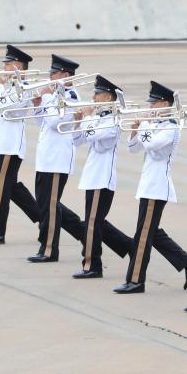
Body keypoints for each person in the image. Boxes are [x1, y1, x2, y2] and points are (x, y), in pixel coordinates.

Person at [114, 81, 187, 294]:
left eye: (155, 104)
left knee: (143, 234)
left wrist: (143, 125)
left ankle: (136, 280)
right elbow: (134, 149)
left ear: (165, 104)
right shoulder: (156, 124)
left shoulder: (170, 127)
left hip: (157, 186)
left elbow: (151, 145)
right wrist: (135, 130)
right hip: (148, 185)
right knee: (152, 232)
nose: (151, 107)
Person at [0, 45, 41, 244]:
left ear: (18, 66)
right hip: (2, 144)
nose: (4, 68)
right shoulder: (7, 87)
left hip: (11, 146)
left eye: (8, 64)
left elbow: (12, 110)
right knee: (11, 188)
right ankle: (44, 217)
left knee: (1, 189)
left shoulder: (26, 87)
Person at [27, 55, 84, 263]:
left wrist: (46, 97)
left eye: (54, 73)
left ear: (65, 75)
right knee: (46, 205)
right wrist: (37, 104)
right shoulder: (54, 95)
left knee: (50, 207)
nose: (50, 77)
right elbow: (40, 122)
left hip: (58, 160)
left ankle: (49, 249)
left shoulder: (71, 96)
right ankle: (86, 234)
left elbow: (54, 122)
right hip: (46, 158)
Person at [68, 75, 124, 278]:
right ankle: (131, 247)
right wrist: (77, 122)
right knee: (95, 222)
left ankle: (92, 265)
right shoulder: (99, 118)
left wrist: (88, 117)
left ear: (108, 97)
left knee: (92, 223)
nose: (93, 97)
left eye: (97, 94)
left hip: (103, 178)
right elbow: (78, 141)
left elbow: (92, 136)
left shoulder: (113, 120)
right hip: (92, 177)